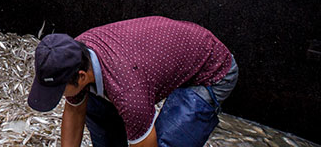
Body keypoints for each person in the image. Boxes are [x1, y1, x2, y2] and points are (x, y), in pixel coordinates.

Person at [28, 17, 238, 147]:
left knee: (162, 143)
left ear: (81, 76)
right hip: (168, 58)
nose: (58, 94)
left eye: (58, 89)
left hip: (210, 72)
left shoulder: (129, 94)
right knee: (93, 105)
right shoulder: (74, 53)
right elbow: (74, 110)